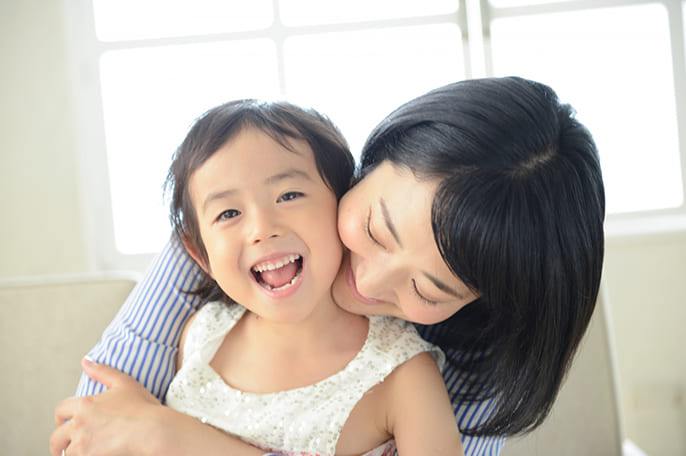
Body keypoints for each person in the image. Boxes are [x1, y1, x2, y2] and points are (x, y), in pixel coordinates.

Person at [51, 76, 605, 456]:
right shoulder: (234, 245)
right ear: (361, 169)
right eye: (372, 230)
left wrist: (181, 442)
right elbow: (97, 421)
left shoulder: (414, 376)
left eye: (426, 288)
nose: (365, 281)